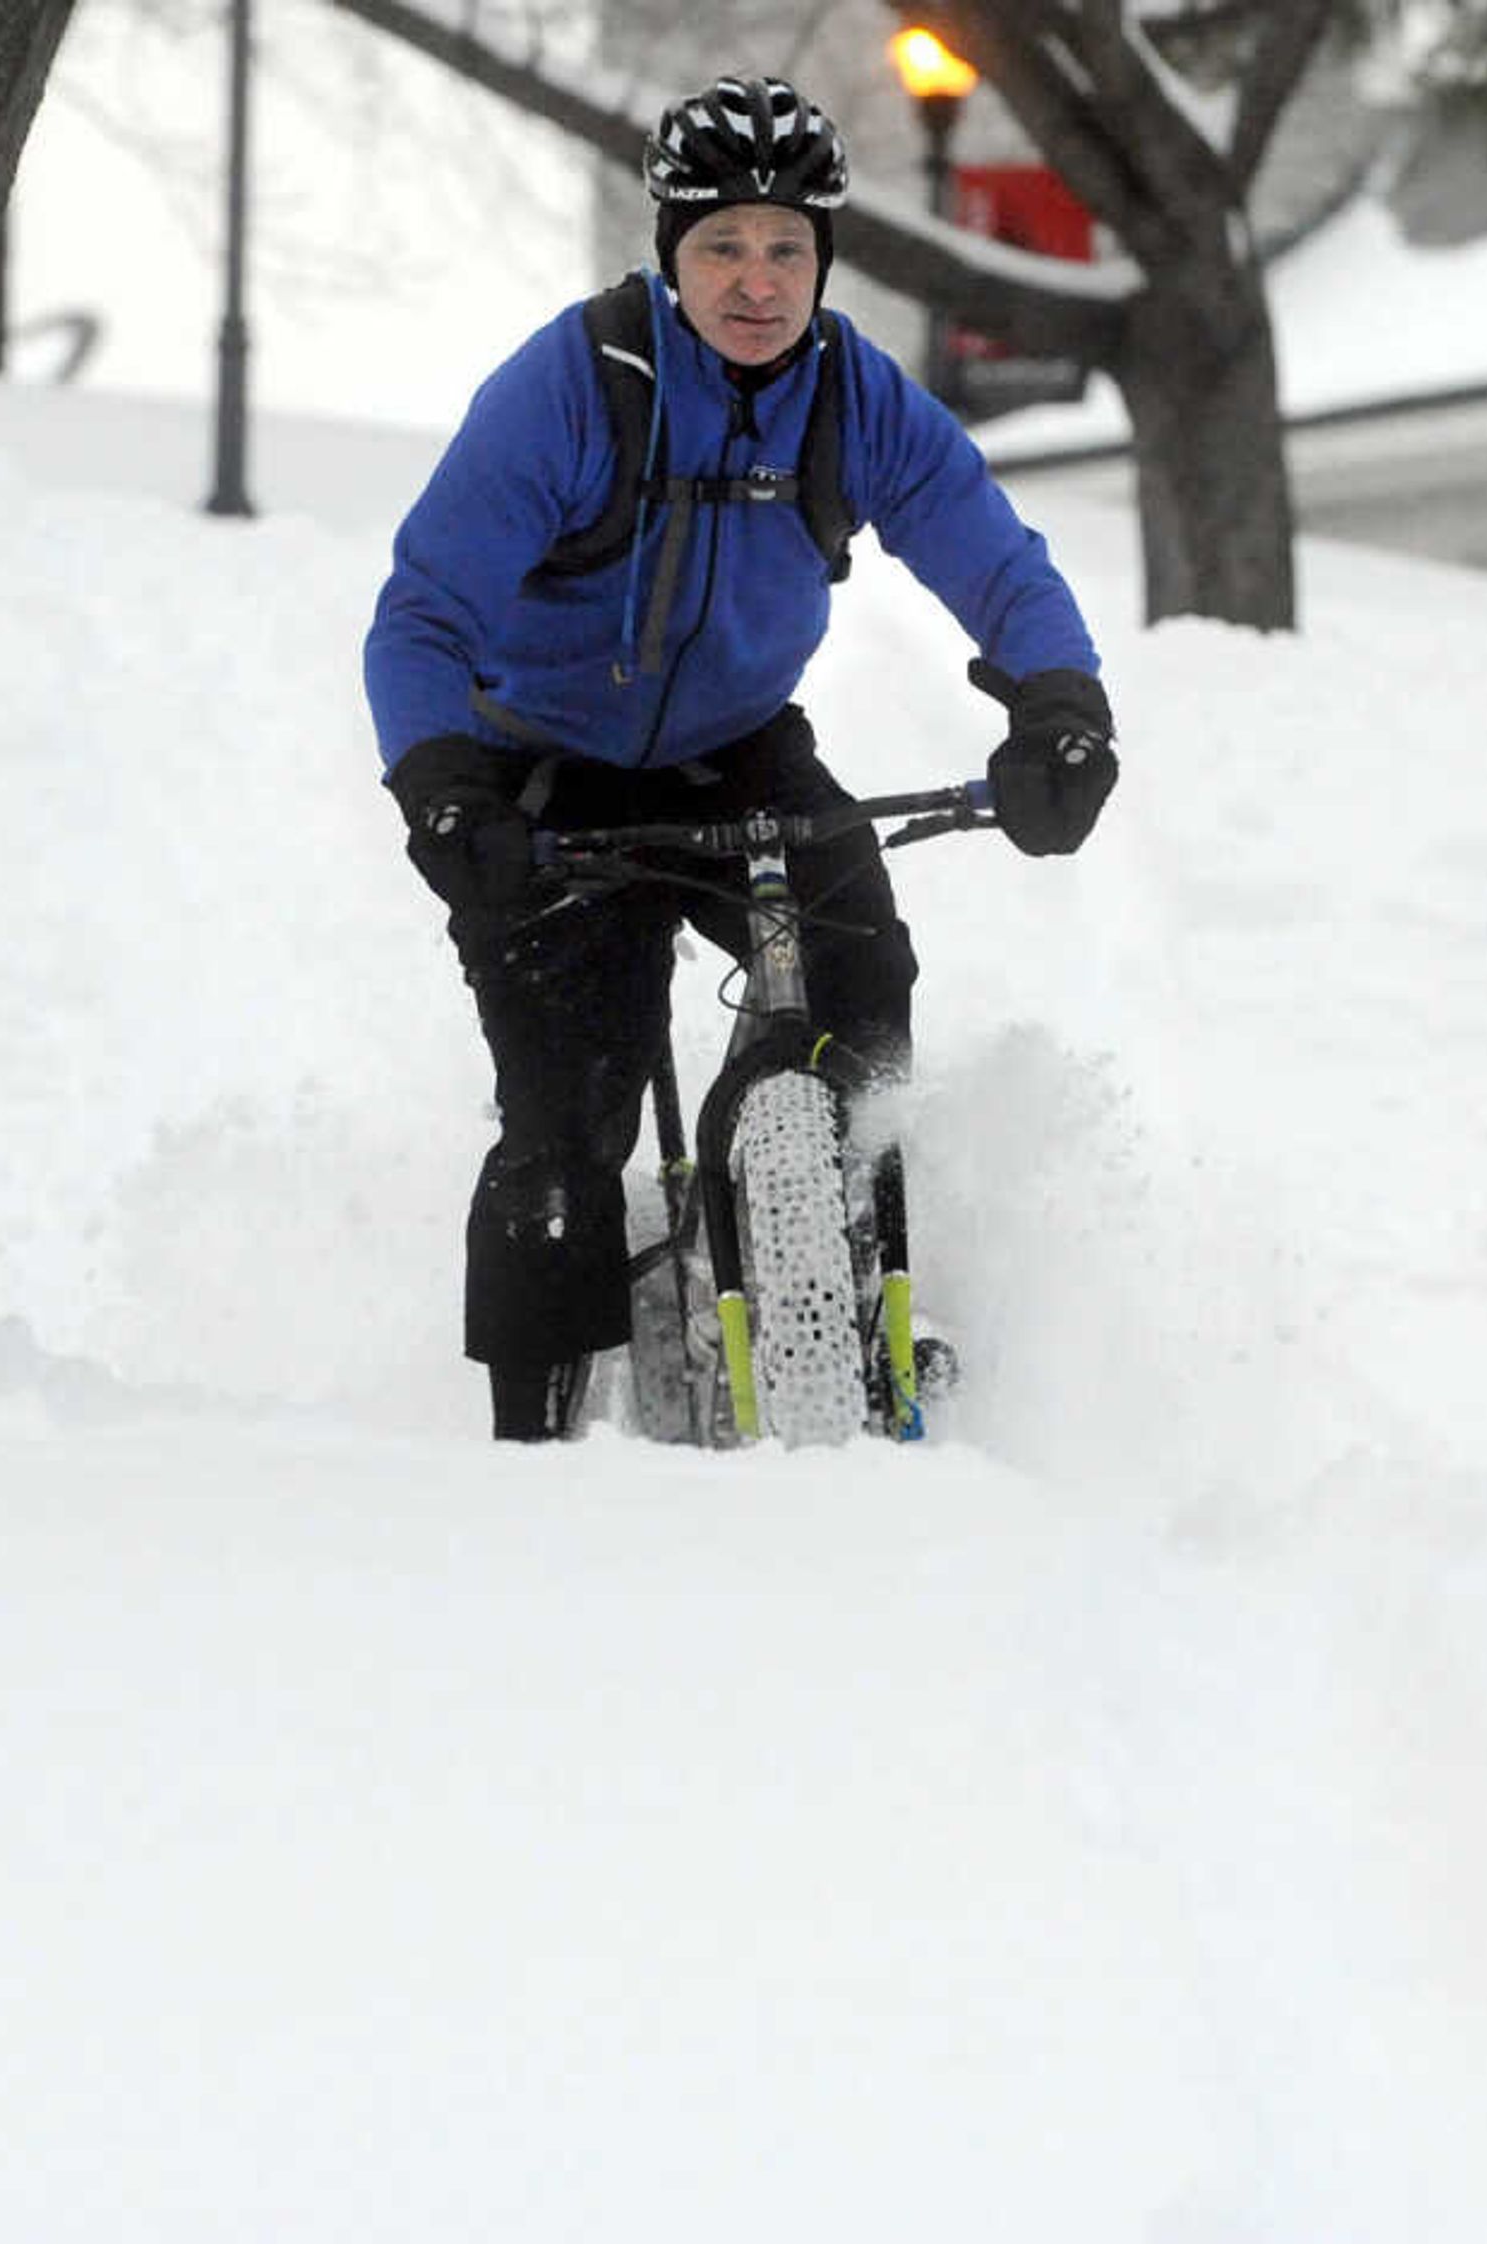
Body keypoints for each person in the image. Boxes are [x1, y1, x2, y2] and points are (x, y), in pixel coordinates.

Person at [363, 71, 1120, 1442]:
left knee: (864, 981)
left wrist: (1062, 708)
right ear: (669, 252)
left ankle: (801, 1230)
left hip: (737, 754)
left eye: (786, 248)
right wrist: (440, 791)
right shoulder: (572, 389)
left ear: (824, 261)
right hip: (542, 772)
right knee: (564, 1132)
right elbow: (423, 614)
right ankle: (527, 1447)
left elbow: (992, 554)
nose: (757, 282)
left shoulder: (850, 397)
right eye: (722, 244)